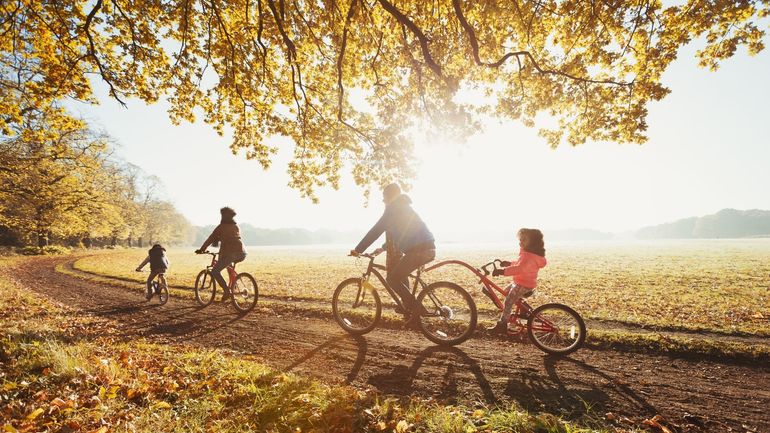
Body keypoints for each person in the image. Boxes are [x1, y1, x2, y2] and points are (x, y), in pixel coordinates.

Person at [350, 183, 435, 317]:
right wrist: (383, 248)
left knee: (392, 280)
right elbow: (401, 233)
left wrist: (358, 249)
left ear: (390, 196)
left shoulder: (393, 208)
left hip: (418, 250)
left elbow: (377, 230)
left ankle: (417, 310)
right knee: (399, 276)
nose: (383, 200)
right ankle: (410, 311)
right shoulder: (403, 207)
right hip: (426, 248)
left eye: (384, 197)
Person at [488, 228, 547, 334]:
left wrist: (502, 271)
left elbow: (519, 269)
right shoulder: (529, 254)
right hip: (523, 282)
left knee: (509, 301)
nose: (521, 242)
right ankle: (524, 310)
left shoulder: (528, 256)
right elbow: (519, 264)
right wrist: (509, 263)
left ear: (533, 242)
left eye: (524, 240)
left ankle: (502, 324)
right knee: (506, 292)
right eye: (520, 239)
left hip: (523, 284)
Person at [195, 207, 247, 301]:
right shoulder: (236, 226)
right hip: (242, 252)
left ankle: (227, 291)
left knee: (215, 271)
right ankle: (233, 285)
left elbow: (211, 238)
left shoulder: (221, 227)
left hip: (231, 253)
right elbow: (230, 238)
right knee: (228, 265)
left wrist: (202, 249)